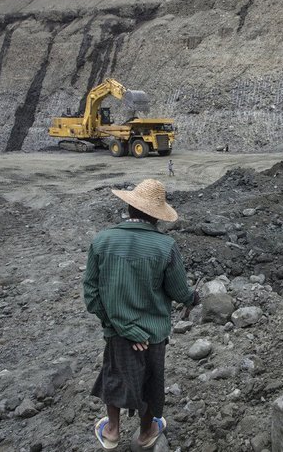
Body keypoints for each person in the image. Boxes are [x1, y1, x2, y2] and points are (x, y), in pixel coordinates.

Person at [84, 178, 199, 449]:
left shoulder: (102, 241)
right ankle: (146, 433)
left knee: (114, 376)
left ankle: (112, 432)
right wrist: (192, 297)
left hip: (117, 332)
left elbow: (91, 294)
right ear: (157, 216)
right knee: (151, 380)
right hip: (154, 333)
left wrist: (116, 326)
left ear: (131, 208)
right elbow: (179, 291)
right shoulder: (165, 246)